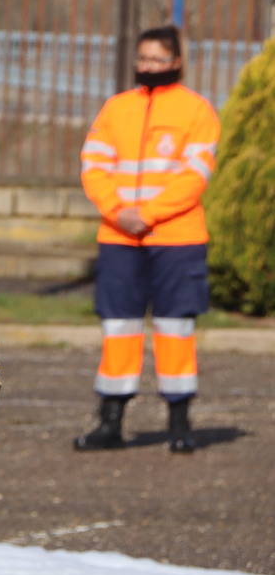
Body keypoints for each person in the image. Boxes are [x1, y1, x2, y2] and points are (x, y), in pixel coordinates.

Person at [76, 25, 219, 454]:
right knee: (119, 328)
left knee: (176, 327)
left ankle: (179, 423)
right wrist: (120, 212)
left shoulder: (198, 111)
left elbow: (195, 177)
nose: (148, 67)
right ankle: (111, 422)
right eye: (143, 59)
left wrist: (148, 215)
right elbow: (94, 166)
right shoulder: (116, 109)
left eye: (157, 59)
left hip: (178, 238)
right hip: (119, 236)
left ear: (176, 61)